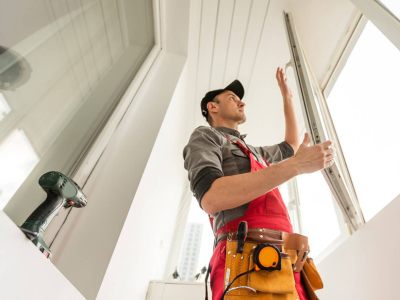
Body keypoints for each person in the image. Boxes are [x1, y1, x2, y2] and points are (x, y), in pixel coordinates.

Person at [183, 68, 336, 300]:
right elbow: (212, 198)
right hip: (244, 262)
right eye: (233, 98)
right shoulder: (206, 137)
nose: (242, 103)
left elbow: (291, 146)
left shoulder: (256, 153)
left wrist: (287, 97)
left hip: (288, 262)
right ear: (212, 107)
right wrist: (296, 166)